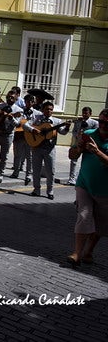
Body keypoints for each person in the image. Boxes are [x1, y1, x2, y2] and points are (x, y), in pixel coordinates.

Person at [66, 108, 108, 268]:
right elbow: (72, 155)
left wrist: (97, 152)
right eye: (101, 121)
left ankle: (89, 251)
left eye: (107, 123)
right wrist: (79, 148)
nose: (103, 125)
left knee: (100, 223)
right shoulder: (89, 133)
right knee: (84, 216)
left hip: (105, 190)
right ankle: (76, 253)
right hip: (84, 184)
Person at [24, 100, 70, 200]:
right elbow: (25, 125)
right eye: (47, 109)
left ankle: (50, 191)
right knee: (36, 170)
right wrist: (33, 130)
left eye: (51, 109)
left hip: (50, 149)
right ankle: (36, 190)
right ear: (42, 110)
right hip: (37, 147)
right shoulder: (36, 118)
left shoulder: (57, 121)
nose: (49, 111)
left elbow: (62, 132)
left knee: (50, 171)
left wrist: (67, 127)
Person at [68, 107, 98, 186]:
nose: (84, 115)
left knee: (86, 161)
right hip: (78, 143)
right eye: (83, 113)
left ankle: (84, 179)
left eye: (86, 113)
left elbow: (95, 133)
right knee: (73, 160)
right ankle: (71, 179)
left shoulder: (94, 123)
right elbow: (74, 131)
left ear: (90, 114)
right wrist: (77, 136)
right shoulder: (78, 121)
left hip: (87, 145)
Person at [10, 94, 37, 181]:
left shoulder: (37, 113)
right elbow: (17, 123)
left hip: (31, 137)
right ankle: (15, 172)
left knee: (30, 157)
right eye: (27, 101)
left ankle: (28, 174)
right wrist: (12, 118)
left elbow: (37, 125)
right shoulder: (20, 111)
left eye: (31, 101)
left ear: (34, 102)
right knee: (17, 155)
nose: (29, 103)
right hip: (20, 136)